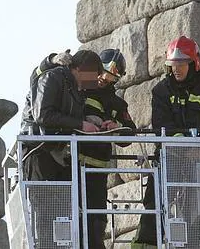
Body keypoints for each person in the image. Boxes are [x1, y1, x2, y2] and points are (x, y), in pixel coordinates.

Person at [131, 36, 200, 248]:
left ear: (194, 63)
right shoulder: (161, 91)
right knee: (154, 203)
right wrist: (186, 148)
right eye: (173, 65)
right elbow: (163, 126)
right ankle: (145, 244)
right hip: (171, 158)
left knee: (198, 213)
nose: (176, 69)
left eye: (181, 64)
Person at [79, 48, 137, 249]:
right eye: (103, 71)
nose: (104, 78)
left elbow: (130, 133)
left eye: (111, 75)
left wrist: (116, 127)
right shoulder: (79, 90)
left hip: (98, 170)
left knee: (96, 221)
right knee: (73, 217)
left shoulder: (117, 103)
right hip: (72, 165)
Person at [22, 49, 103, 181]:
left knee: (66, 199)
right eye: (93, 76)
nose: (94, 83)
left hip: (57, 152)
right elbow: (43, 115)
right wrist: (81, 124)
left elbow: (64, 117)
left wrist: (88, 121)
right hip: (37, 149)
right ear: (80, 69)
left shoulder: (77, 90)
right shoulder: (52, 77)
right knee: (43, 198)